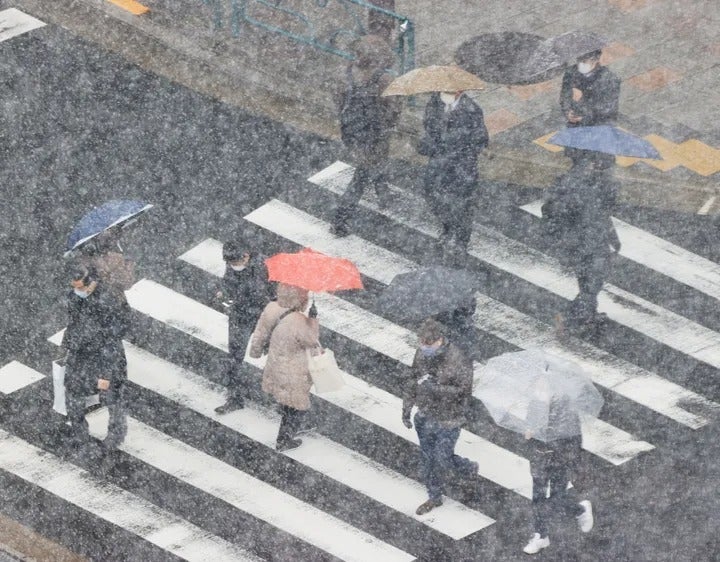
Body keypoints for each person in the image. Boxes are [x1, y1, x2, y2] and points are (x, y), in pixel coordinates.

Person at [401, 318, 478, 515]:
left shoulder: (459, 359)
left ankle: (467, 467)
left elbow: (463, 391)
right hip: (425, 414)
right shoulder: (421, 354)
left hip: (449, 418)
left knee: (442, 457)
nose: (424, 348)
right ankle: (434, 496)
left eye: (428, 344)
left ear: (440, 340)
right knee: (428, 459)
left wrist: (436, 388)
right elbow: (413, 380)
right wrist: (407, 408)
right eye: (422, 343)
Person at [331, 34, 402, 237]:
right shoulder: (384, 80)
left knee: (372, 165)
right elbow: (394, 109)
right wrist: (389, 125)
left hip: (353, 133)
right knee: (361, 177)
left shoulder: (344, 74)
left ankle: (383, 193)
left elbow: (338, 103)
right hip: (375, 134)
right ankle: (340, 219)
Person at [542, 150, 621, 331]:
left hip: (593, 240)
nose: (607, 170)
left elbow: (602, 214)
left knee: (591, 280)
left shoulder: (595, 184)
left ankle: (587, 314)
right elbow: (564, 213)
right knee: (592, 281)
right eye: (604, 166)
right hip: (582, 242)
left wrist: (613, 237)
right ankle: (570, 316)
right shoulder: (576, 185)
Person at [60, 265, 130, 451]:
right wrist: (67, 347)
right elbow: (72, 322)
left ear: (92, 283)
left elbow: (113, 340)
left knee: (112, 397)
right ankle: (79, 433)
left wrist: (106, 374)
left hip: (104, 357)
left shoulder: (109, 301)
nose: (78, 292)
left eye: (81, 288)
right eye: (75, 288)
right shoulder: (75, 297)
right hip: (80, 354)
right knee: (73, 394)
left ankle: (116, 435)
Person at [249, 283, 320, 452]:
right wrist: (313, 320)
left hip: (275, 365)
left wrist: (255, 351)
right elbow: (311, 340)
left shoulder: (271, 308)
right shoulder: (300, 322)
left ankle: (286, 430)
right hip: (294, 371)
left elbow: (260, 332)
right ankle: (284, 440)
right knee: (295, 405)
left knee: (286, 400)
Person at [418, 90, 488, 252]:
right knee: (435, 198)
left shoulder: (472, 109)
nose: (445, 92)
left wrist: (458, 144)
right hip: (438, 162)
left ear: (460, 91)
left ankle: (462, 240)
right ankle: (448, 229)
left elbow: (481, 139)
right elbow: (428, 125)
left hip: (462, 165)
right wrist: (439, 128)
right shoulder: (435, 103)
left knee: (462, 204)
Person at [523, 397, 594, 555]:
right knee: (538, 499)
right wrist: (529, 435)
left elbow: (574, 441)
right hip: (539, 459)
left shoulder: (567, 409)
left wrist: (559, 450)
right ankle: (541, 535)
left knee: (558, 498)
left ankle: (580, 509)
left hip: (559, 462)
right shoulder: (537, 402)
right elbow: (530, 424)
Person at [215, 241, 273, 414]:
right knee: (234, 357)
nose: (233, 267)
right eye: (230, 264)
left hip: (262, 315)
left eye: (235, 263)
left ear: (246, 256)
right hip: (240, 316)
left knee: (275, 355)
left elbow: (268, 293)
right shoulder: (232, 265)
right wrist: (224, 292)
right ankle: (235, 397)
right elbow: (227, 283)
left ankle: (279, 397)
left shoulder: (265, 266)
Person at [560, 49, 620, 127]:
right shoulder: (571, 73)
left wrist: (581, 103)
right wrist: (568, 111)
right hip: (575, 124)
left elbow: (607, 110)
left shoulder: (609, 79)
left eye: (585, 61)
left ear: (595, 60)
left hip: (599, 125)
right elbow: (564, 96)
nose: (580, 64)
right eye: (579, 60)